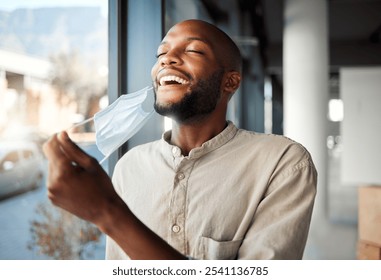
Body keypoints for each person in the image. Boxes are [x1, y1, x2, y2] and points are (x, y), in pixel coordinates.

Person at [43, 19, 317, 260]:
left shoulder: (283, 162)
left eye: (194, 50)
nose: (166, 59)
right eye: (161, 53)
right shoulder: (130, 165)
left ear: (230, 82)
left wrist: (108, 213)